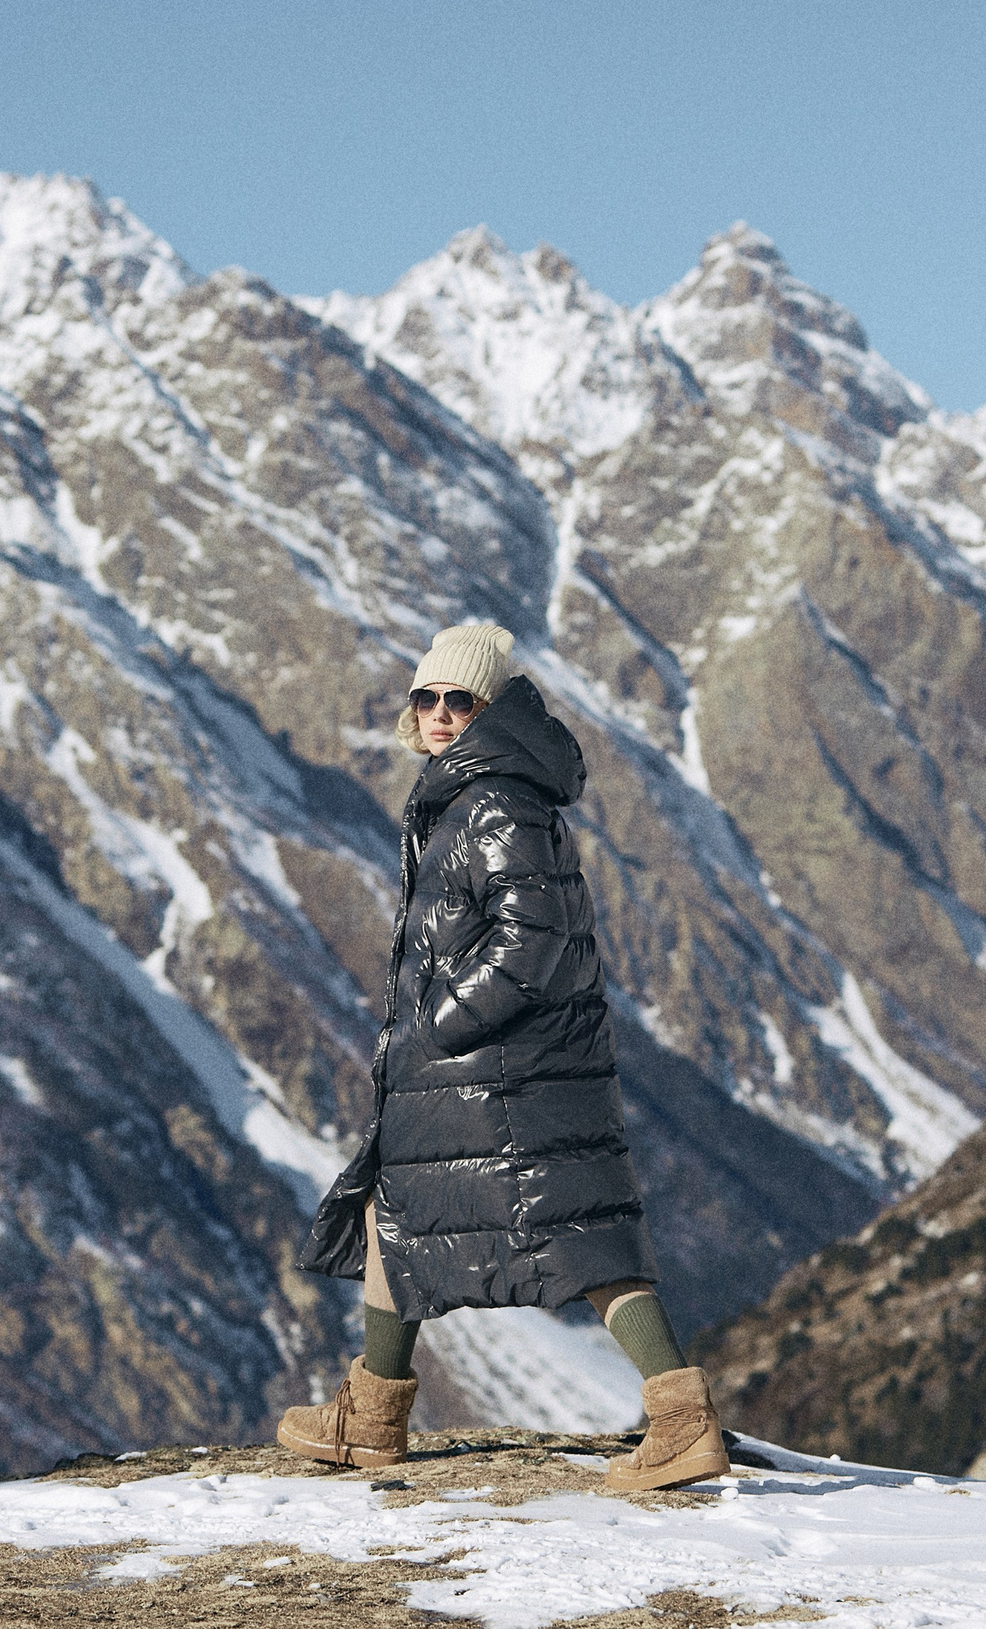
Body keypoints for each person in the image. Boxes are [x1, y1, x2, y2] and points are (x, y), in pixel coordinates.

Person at [277, 622, 729, 1491]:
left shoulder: (494, 802)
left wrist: (446, 1019)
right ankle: (371, 1417)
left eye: (461, 700)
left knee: (578, 1234)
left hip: (500, 1072)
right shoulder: (471, 794)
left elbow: (534, 934)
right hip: (490, 1070)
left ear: (490, 711)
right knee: (402, 1212)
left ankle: (681, 1421)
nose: (441, 712)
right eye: (427, 697)